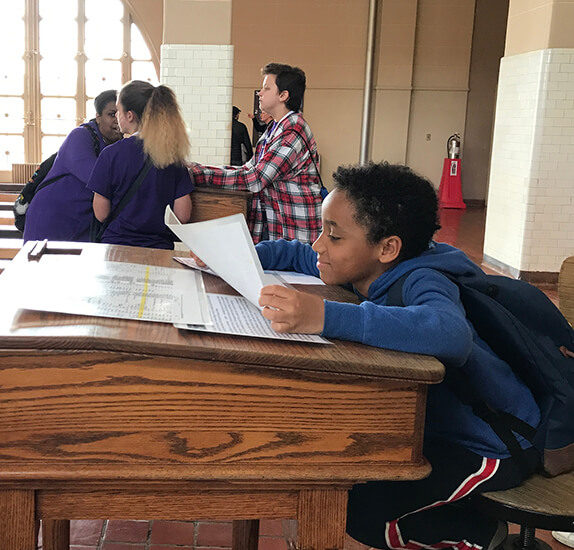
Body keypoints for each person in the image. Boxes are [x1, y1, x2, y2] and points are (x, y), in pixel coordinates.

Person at [255, 162, 540, 550]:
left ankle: (477, 534)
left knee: (362, 516)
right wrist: (246, 255)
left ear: (388, 247)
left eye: (333, 236)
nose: (319, 245)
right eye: (322, 231)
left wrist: (324, 315)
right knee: (346, 475)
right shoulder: (360, 266)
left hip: (493, 443)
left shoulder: (424, 278)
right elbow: (297, 255)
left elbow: (450, 333)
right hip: (432, 429)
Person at [190, 63, 323, 244]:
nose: (259, 93)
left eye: (266, 88)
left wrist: (199, 174)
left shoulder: (292, 130)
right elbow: (248, 168)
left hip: (293, 232)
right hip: (276, 225)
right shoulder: (275, 127)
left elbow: (255, 178)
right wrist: (201, 169)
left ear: (283, 95)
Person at [87, 80, 193, 249]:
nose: (117, 116)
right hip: (157, 249)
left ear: (129, 115)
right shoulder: (173, 157)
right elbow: (183, 215)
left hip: (116, 247)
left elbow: (101, 214)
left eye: (118, 111)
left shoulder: (110, 154)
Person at [22, 89, 122, 241]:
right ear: (98, 117)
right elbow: (97, 180)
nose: (117, 119)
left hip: (80, 223)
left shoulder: (115, 145)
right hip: (52, 220)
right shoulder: (80, 135)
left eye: (121, 113)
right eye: (111, 114)